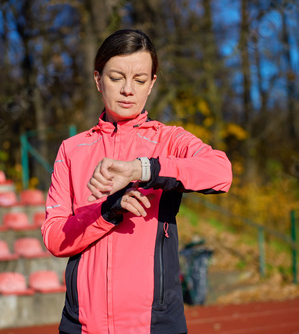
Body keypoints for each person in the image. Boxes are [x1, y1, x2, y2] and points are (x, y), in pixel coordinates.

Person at [42, 29, 232, 334]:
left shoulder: (169, 140)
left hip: (155, 325)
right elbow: (55, 237)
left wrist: (142, 169)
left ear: (152, 83)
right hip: (81, 326)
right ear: (97, 79)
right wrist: (107, 211)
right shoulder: (72, 149)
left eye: (140, 80)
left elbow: (221, 172)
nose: (128, 89)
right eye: (117, 77)